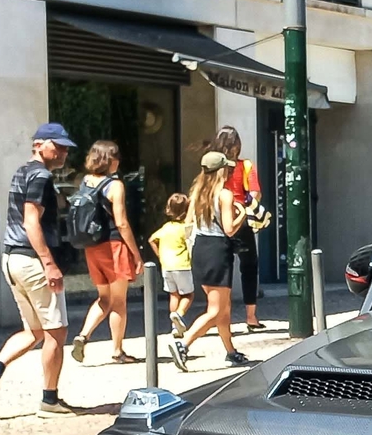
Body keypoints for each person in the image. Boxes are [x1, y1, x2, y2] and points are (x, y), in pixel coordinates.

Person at [0, 121, 77, 414]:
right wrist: (49, 263)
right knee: (56, 333)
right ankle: (50, 399)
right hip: (33, 260)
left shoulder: (21, 171)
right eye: (56, 146)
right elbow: (31, 221)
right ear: (39, 144)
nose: (62, 153)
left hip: (11, 258)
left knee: (34, 331)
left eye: (65, 148)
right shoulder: (41, 176)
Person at [68, 140, 143, 365]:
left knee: (103, 298)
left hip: (92, 247)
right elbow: (121, 223)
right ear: (110, 160)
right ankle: (117, 351)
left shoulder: (85, 181)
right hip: (113, 246)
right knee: (119, 302)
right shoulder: (115, 185)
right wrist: (136, 254)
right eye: (116, 157)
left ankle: (83, 335)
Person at [176, 148, 248, 368]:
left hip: (200, 249)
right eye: (226, 168)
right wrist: (243, 214)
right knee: (215, 310)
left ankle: (231, 351)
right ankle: (184, 345)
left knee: (222, 307)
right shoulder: (224, 195)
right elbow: (228, 229)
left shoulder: (197, 193)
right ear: (220, 170)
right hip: (217, 250)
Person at [213, 124, 269, 332]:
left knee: (223, 269)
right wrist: (245, 207)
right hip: (240, 220)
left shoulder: (213, 166)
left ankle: (222, 316)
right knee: (249, 267)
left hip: (217, 221)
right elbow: (255, 193)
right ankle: (251, 316)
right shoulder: (246, 165)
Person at [149, 191, 195, 347]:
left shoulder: (166, 227)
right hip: (182, 265)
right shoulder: (185, 228)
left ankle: (174, 326)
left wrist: (160, 256)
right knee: (188, 295)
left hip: (166, 266)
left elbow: (151, 240)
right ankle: (179, 315)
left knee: (173, 296)